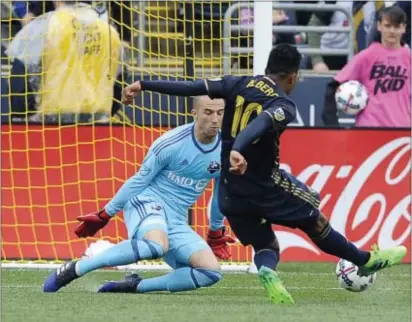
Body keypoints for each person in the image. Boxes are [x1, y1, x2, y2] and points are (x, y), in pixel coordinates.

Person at [119, 43, 407, 304]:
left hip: (231, 193)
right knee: (314, 217)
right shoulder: (283, 105)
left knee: (265, 243)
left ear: (268, 67)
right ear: (293, 76)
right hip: (265, 186)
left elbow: (192, 87)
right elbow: (261, 124)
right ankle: (365, 260)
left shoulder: (237, 82)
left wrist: (144, 84)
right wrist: (239, 149)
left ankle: (267, 270)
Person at [43, 96, 237, 294]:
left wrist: (215, 231)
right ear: (194, 113)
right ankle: (76, 268)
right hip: (146, 201)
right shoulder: (170, 143)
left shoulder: (228, 150)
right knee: (156, 245)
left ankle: (134, 286)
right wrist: (106, 214)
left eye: (220, 113)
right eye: (208, 112)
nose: (215, 119)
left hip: (176, 218)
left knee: (210, 272)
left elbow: (220, 193)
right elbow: (139, 180)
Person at [7, 1, 124, 124]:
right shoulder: (110, 32)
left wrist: (24, 116)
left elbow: (19, 80)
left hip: (53, 118)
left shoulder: (43, 27)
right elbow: (119, 82)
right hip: (99, 120)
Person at [322, 5, 411, 128]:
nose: (392, 31)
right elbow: (333, 85)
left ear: (404, 28)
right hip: (370, 128)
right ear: (379, 26)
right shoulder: (368, 55)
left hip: (402, 130)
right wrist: (332, 124)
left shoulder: (408, 56)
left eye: (396, 27)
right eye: (387, 26)